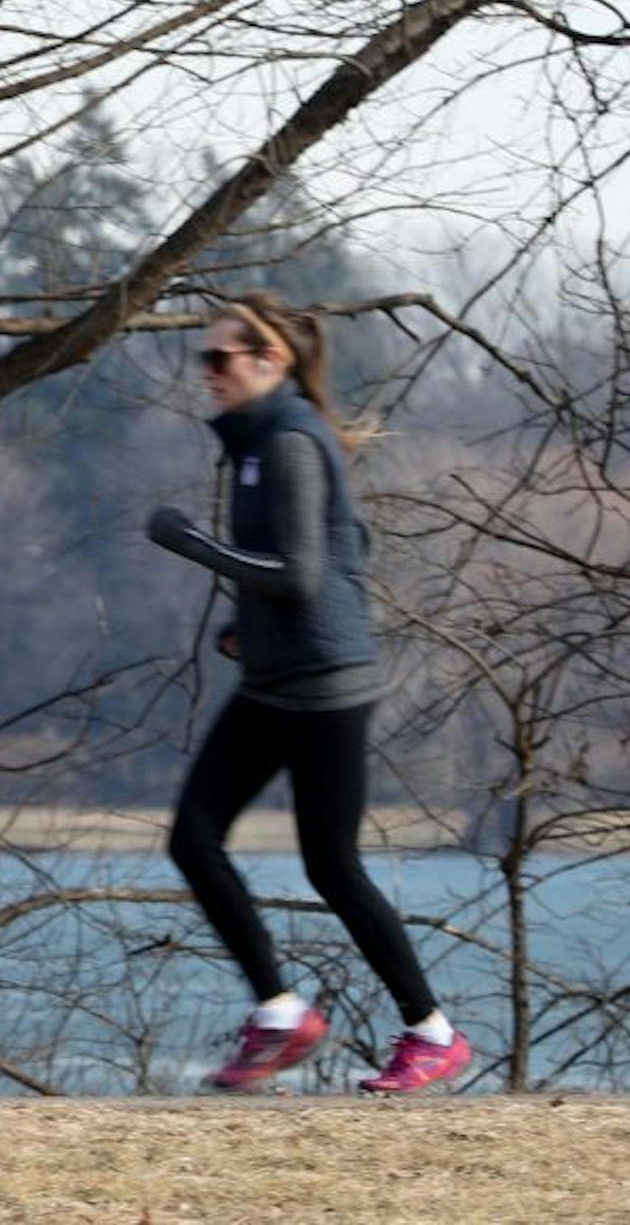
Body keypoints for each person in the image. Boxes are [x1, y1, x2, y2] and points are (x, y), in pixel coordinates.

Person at [146, 291, 470, 1094]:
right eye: (205, 358)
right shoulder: (261, 442)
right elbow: (346, 543)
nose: (208, 373)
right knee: (194, 836)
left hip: (324, 687)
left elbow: (301, 571)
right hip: (279, 675)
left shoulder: (287, 441)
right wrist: (246, 629)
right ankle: (283, 1013)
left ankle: (432, 1033)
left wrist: (193, 545)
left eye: (220, 358)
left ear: (270, 361)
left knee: (333, 864)